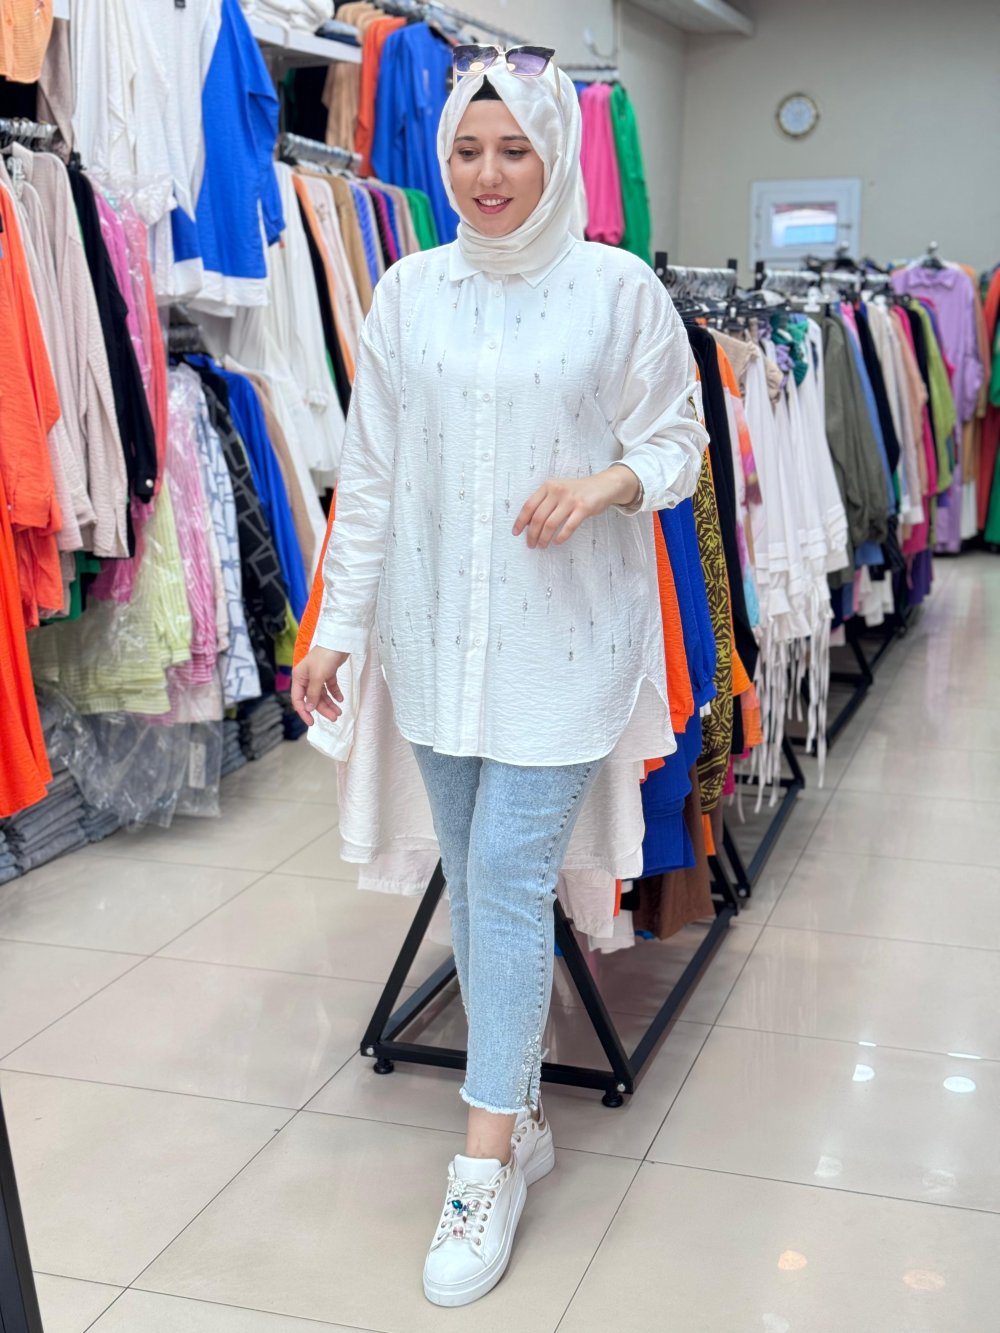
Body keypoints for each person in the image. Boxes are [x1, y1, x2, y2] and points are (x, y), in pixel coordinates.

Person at [291, 44, 708, 1309]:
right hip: (431, 641)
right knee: (472, 882)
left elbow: (681, 441)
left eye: (514, 148)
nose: (488, 174)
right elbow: (370, 479)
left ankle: (483, 1166)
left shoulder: (617, 289)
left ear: (554, 153)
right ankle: (514, 1109)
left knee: (511, 880)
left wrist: (607, 482)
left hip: (564, 643)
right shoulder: (407, 292)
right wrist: (335, 628)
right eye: (468, 150)